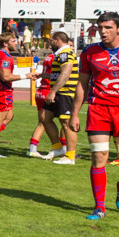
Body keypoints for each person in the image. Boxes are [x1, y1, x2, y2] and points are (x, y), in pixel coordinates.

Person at [68, 12, 119, 220]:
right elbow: (82, 84)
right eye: (100, 28)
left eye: (108, 28)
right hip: (99, 109)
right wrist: (75, 113)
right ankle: (99, 207)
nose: (102, 32)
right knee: (99, 157)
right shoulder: (89, 52)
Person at [0, 34, 33, 158]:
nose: (16, 43)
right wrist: (25, 76)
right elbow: (5, 76)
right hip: (1, 91)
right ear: (5, 43)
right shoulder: (5, 56)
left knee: (9, 116)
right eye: (13, 41)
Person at [35, 32, 78, 163]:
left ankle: (70, 156)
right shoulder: (59, 54)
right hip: (58, 91)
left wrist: (53, 91)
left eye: (50, 40)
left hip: (65, 93)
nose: (48, 43)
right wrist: (42, 76)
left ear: (57, 40)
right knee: (44, 117)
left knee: (66, 124)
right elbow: (57, 75)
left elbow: (66, 73)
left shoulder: (65, 53)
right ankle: (58, 148)